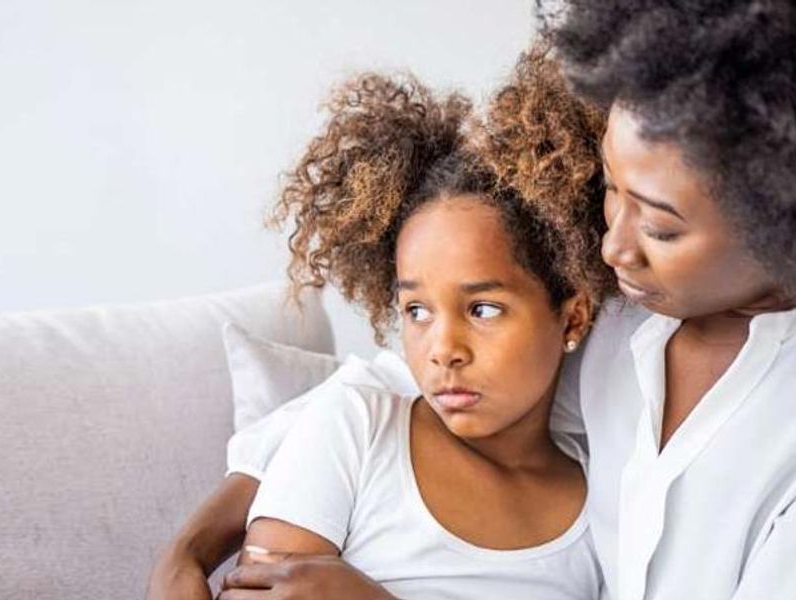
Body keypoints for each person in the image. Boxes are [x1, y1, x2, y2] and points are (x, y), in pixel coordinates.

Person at [148, 2, 796, 598]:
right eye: (611, 191)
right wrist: (186, 550)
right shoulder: (618, 318)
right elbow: (376, 391)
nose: (612, 247)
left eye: (658, 226)